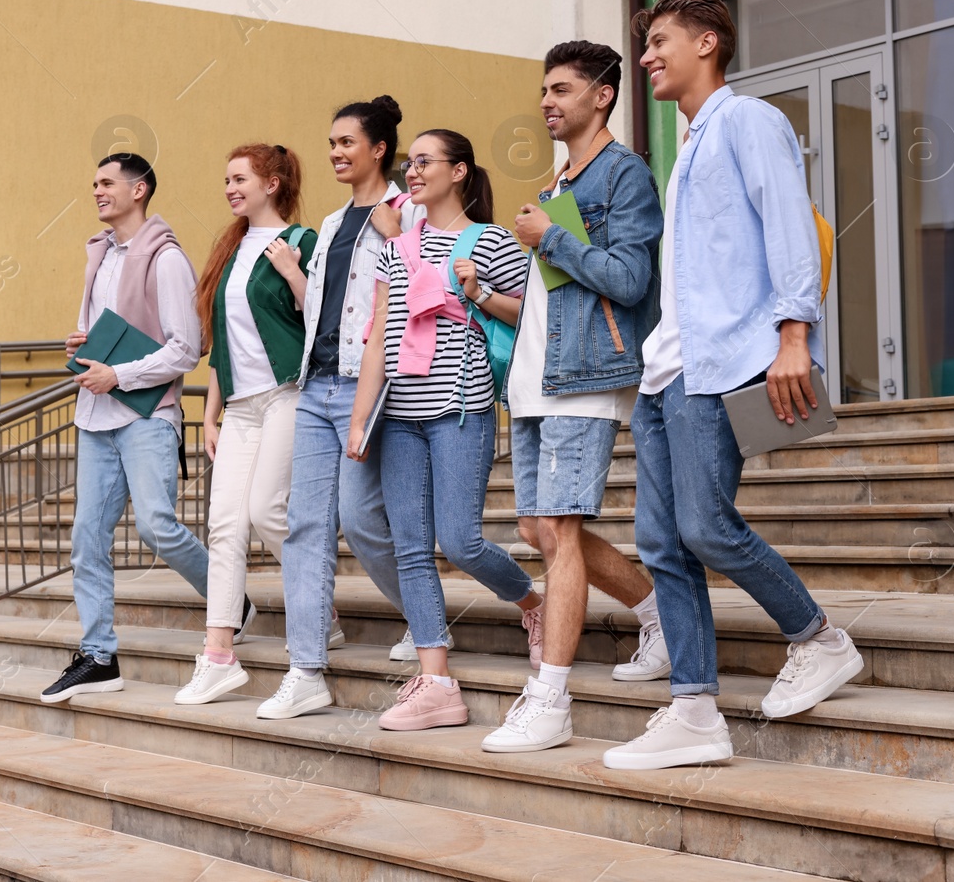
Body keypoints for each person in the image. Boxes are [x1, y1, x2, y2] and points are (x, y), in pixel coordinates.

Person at [602, 0, 862, 771]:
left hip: (716, 366)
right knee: (661, 540)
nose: (647, 55)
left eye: (660, 41)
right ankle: (693, 709)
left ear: (709, 43)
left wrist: (794, 331)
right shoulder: (689, 146)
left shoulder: (747, 121)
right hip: (667, 370)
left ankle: (819, 637)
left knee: (706, 527)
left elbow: (789, 220)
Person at [481, 41, 669, 754]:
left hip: (585, 380)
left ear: (603, 95)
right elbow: (550, 297)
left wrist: (550, 236)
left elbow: (628, 279)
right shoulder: (566, 175)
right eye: (544, 90)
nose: (547, 102)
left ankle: (551, 697)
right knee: (537, 531)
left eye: (561, 89)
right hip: (536, 381)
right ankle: (658, 612)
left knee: (557, 532)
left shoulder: (625, 175)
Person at [348, 128, 544, 732]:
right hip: (401, 417)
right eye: (410, 163)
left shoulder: (488, 241)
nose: (412, 171)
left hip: (462, 409)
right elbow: (380, 332)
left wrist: (478, 291)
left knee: (459, 541)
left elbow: (535, 312)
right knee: (411, 547)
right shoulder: (395, 248)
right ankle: (436, 683)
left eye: (424, 161)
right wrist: (360, 418)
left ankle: (532, 604)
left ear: (459, 172)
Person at [257, 96, 422, 721]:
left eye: (347, 143)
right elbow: (319, 309)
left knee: (361, 518)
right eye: (331, 143)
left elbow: (419, 289)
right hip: (316, 383)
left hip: (367, 383)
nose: (335, 153)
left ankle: (423, 616)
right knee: (304, 526)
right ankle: (305, 670)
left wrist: (399, 238)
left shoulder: (408, 214)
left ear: (379, 150)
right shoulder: (328, 225)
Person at [40, 153, 211, 704]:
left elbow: (186, 350)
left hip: (146, 415)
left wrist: (120, 373)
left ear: (140, 190)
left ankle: (228, 601)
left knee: (157, 527)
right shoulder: (99, 255)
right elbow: (110, 330)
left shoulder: (167, 260)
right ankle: (98, 656)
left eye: (107, 182)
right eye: (93, 182)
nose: (96, 191)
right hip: (95, 417)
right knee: (86, 538)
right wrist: (84, 345)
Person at [175, 144, 318, 705]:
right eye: (227, 179)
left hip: (287, 394)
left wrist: (291, 271)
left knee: (266, 510)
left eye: (240, 178)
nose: (231, 188)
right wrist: (210, 413)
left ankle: (315, 600)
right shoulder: (230, 250)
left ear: (273, 183)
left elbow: (323, 318)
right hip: (239, 406)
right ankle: (218, 655)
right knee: (225, 524)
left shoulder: (303, 243)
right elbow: (225, 342)